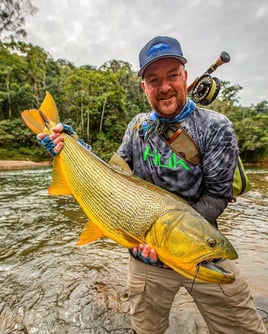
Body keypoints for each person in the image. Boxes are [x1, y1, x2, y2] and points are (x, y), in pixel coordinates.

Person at [37, 36, 267, 334]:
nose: (165, 86)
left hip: (200, 248)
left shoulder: (216, 126)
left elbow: (218, 196)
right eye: (154, 79)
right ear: (144, 87)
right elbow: (113, 175)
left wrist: (171, 241)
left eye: (173, 75)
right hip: (142, 252)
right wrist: (71, 142)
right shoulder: (137, 126)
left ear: (185, 76)